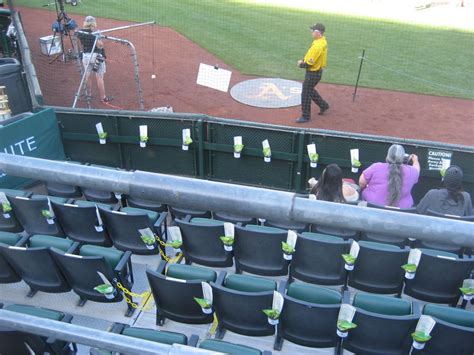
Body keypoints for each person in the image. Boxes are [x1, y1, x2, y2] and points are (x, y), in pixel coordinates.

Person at [296, 23, 329, 123]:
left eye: (313, 31)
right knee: (310, 90)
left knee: (305, 93)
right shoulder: (322, 40)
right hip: (317, 73)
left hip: (312, 73)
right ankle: (323, 105)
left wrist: (300, 64)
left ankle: (305, 116)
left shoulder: (317, 46)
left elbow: (309, 64)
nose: (311, 32)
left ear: (318, 33)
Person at [77, 16, 113, 103]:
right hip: (96, 56)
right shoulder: (94, 33)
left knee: (88, 75)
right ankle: (103, 98)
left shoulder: (80, 33)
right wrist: (98, 37)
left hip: (85, 57)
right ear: (93, 23)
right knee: (99, 77)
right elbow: (100, 45)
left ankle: (88, 94)